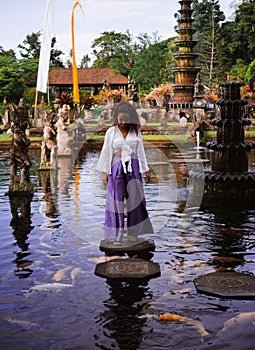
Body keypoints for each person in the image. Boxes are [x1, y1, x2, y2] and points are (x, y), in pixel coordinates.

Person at [97, 101, 154, 245]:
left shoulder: (136, 131)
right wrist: (105, 173)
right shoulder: (111, 132)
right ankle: (117, 235)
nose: (123, 123)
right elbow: (106, 151)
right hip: (116, 165)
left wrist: (146, 170)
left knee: (134, 199)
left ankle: (133, 233)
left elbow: (140, 151)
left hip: (133, 165)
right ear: (116, 118)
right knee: (116, 200)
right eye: (120, 120)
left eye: (126, 120)